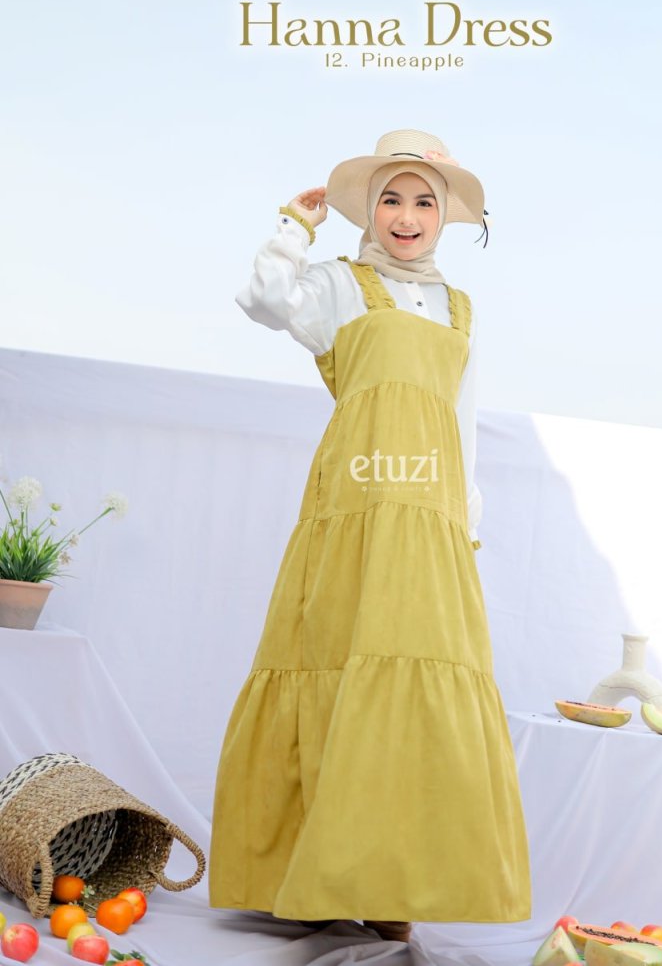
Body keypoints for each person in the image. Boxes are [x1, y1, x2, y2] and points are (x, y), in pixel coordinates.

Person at [209, 129, 531, 943]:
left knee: (410, 676)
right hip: (352, 502)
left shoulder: (459, 308)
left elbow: (459, 420)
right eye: (391, 198)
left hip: (427, 513)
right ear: (371, 209)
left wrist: (464, 518)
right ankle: (310, 874)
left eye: (423, 200)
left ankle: (390, 880)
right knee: (333, 658)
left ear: (445, 215)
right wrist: (294, 226)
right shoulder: (339, 285)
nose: (406, 215)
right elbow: (262, 299)